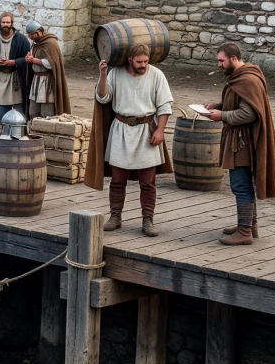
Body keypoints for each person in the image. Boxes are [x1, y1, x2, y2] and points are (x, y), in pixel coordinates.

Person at [86, 44, 174, 237]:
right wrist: (103, 74)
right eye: (139, 62)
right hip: (121, 129)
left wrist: (160, 130)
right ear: (129, 60)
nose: (143, 65)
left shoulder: (156, 75)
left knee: (148, 182)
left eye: (145, 61)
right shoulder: (115, 73)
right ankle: (115, 216)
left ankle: (148, 219)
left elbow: (165, 105)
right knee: (117, 180)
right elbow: (103, 98)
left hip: (146, 130)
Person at [204, 44, 275, 245]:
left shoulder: (248, 80)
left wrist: (221, 115)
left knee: (240, 185)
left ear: (233, 58)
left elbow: (248, 113)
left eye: (222, 61)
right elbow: (240, 104)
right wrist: (218, 106)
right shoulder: (242, 78)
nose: (219, 65)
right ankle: (250, 225)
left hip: (243, 142)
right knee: (243, 184)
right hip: (240, 139)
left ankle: (245, 231)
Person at [0, 11, 31, 121]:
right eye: (3, 22)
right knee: (1, 111)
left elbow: (27, 59)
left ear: (12, 23)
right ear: (0, 23)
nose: (5, 25)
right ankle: (3, 132)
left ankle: (20, 132)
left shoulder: (21, 40)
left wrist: (14, 62)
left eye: (8, 22)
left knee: (19, 110)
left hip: (16, 79)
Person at [24, 20, 71, 118]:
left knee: (46, 114)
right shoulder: (36, 43)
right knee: (33, 112)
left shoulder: (50, 43)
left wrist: (33, 60)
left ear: (38, 32)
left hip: (47, 83)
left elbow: (51, 63)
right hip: (36, 81)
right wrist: (29, 58)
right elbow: (33, 58)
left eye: (31, 34)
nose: (30, 37)